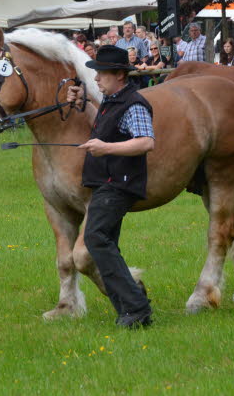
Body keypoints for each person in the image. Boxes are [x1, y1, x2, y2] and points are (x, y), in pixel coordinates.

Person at [65, 45, 155, 328]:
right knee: (105, 243)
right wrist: (85, 105)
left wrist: (107, 148)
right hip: (106, 183)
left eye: (101, 74)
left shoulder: (134, 103)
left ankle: (137, 307)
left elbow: (146, 141)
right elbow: (103, 127)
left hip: (119, 185)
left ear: (119, 74)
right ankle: (129, 311)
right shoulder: (110, 101)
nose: (97, 79)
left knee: (96, 239)